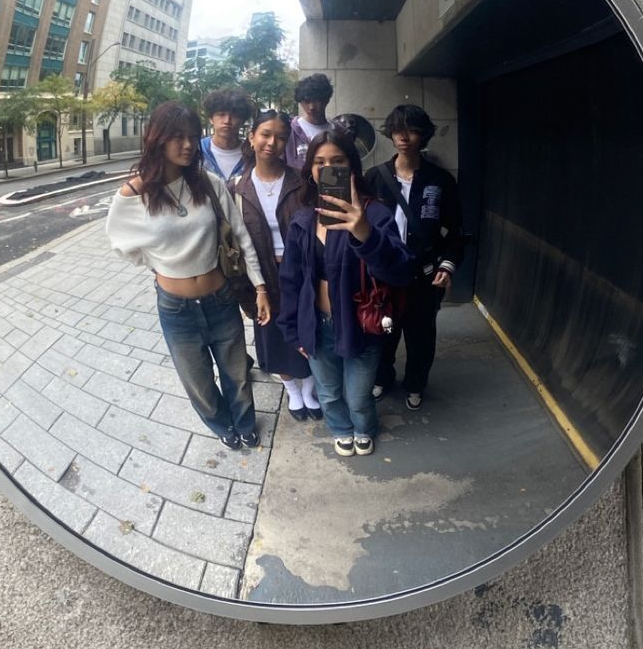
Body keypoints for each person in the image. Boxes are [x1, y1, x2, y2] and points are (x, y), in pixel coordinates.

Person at [106, 101, 271, 451]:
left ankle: (244, 422)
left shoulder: (208, 184)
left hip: (221, 298)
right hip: (176, 309)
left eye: (193, 137)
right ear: (156, 139)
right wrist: (160, 264)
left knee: (238, 374)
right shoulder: (134, 194)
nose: (188, 145)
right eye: (177, 137)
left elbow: (241, 236)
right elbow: (122, 246)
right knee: (197, 382)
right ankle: (221, 424)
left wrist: (260, 287)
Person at [278, 128, 416, 457]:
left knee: (358, 394)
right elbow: (290, 280)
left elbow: (402, 270)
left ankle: (364, 428)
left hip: (361, 325)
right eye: (320, 162)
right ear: (310, 169)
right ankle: (340, 428)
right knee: (327, 391)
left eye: (337, 161)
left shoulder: (376, 213)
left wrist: (364, 232)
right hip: (318, 324)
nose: (328, 169)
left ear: (351, 167)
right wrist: (293, 328)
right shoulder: (303, 219)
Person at [365, 104, 464, 411]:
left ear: (423, 135)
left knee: (421, 336)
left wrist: (448, 264)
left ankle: (415, 384)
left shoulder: (440, 180)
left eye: (411, 130)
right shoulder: (375, 177)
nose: (403, 136)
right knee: (383, 332)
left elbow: (457, 230)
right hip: (385, 274)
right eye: (397, 129)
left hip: (425, 273)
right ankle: (382, 377)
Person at [229, 110, 322, 422]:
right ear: (252, 137)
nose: (272, 142)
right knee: (272, 337)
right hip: (262, 278)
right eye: (265, 134)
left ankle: (309, 387)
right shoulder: (236, 189)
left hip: (301, 273)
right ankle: (292, 391)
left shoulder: (303, 183)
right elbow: (234, 245)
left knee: (308, 331)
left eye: (280, 136)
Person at [201, 87, 255, 182]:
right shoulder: (197, 150)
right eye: (221, 114)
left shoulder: (252, 154)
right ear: (211, 118)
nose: (227, 121)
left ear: (243, 120)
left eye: (234, 116)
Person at [285, 73, 334, 169]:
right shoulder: (290, 131)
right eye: (306, 101)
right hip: (297, 183)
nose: (311, 107)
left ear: (326, 100)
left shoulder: (339, 131)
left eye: (316, 101)